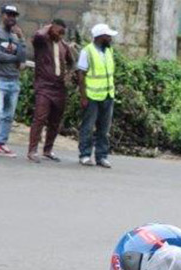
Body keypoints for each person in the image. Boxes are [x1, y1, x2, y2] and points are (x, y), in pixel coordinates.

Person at [0, 4, 27, 158]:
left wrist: (21, 39)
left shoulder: (16, 37)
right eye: (8, 14)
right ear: (2, 15)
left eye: (14, 15)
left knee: (9, 115)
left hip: (14, 81)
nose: (11, 18)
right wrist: (16, 59)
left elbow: (23, 60)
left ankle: (2, 143)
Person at [72, 22, 117, 168]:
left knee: (104, 129)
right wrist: (83, 97)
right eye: (108, 36)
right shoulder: (87, 51)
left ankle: (102, 156)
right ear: (101, 37)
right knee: (88, 127)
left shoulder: (109, 51)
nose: (111, 38)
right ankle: (85, 155)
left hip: (108, 95)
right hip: (91, 96)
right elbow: (81, 75)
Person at [25, 17, 69, 160]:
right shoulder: (42, 42)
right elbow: (38, 35)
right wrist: (48, 27)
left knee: (56, 121)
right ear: (51, 29)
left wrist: (69, 75)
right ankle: (32, 150)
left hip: (59, 88)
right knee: (40, 117)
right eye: (58, 31)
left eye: (63, 32)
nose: (61, 34)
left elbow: (72, 62)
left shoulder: (63, 45)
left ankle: (48, 150)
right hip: (44, 86)